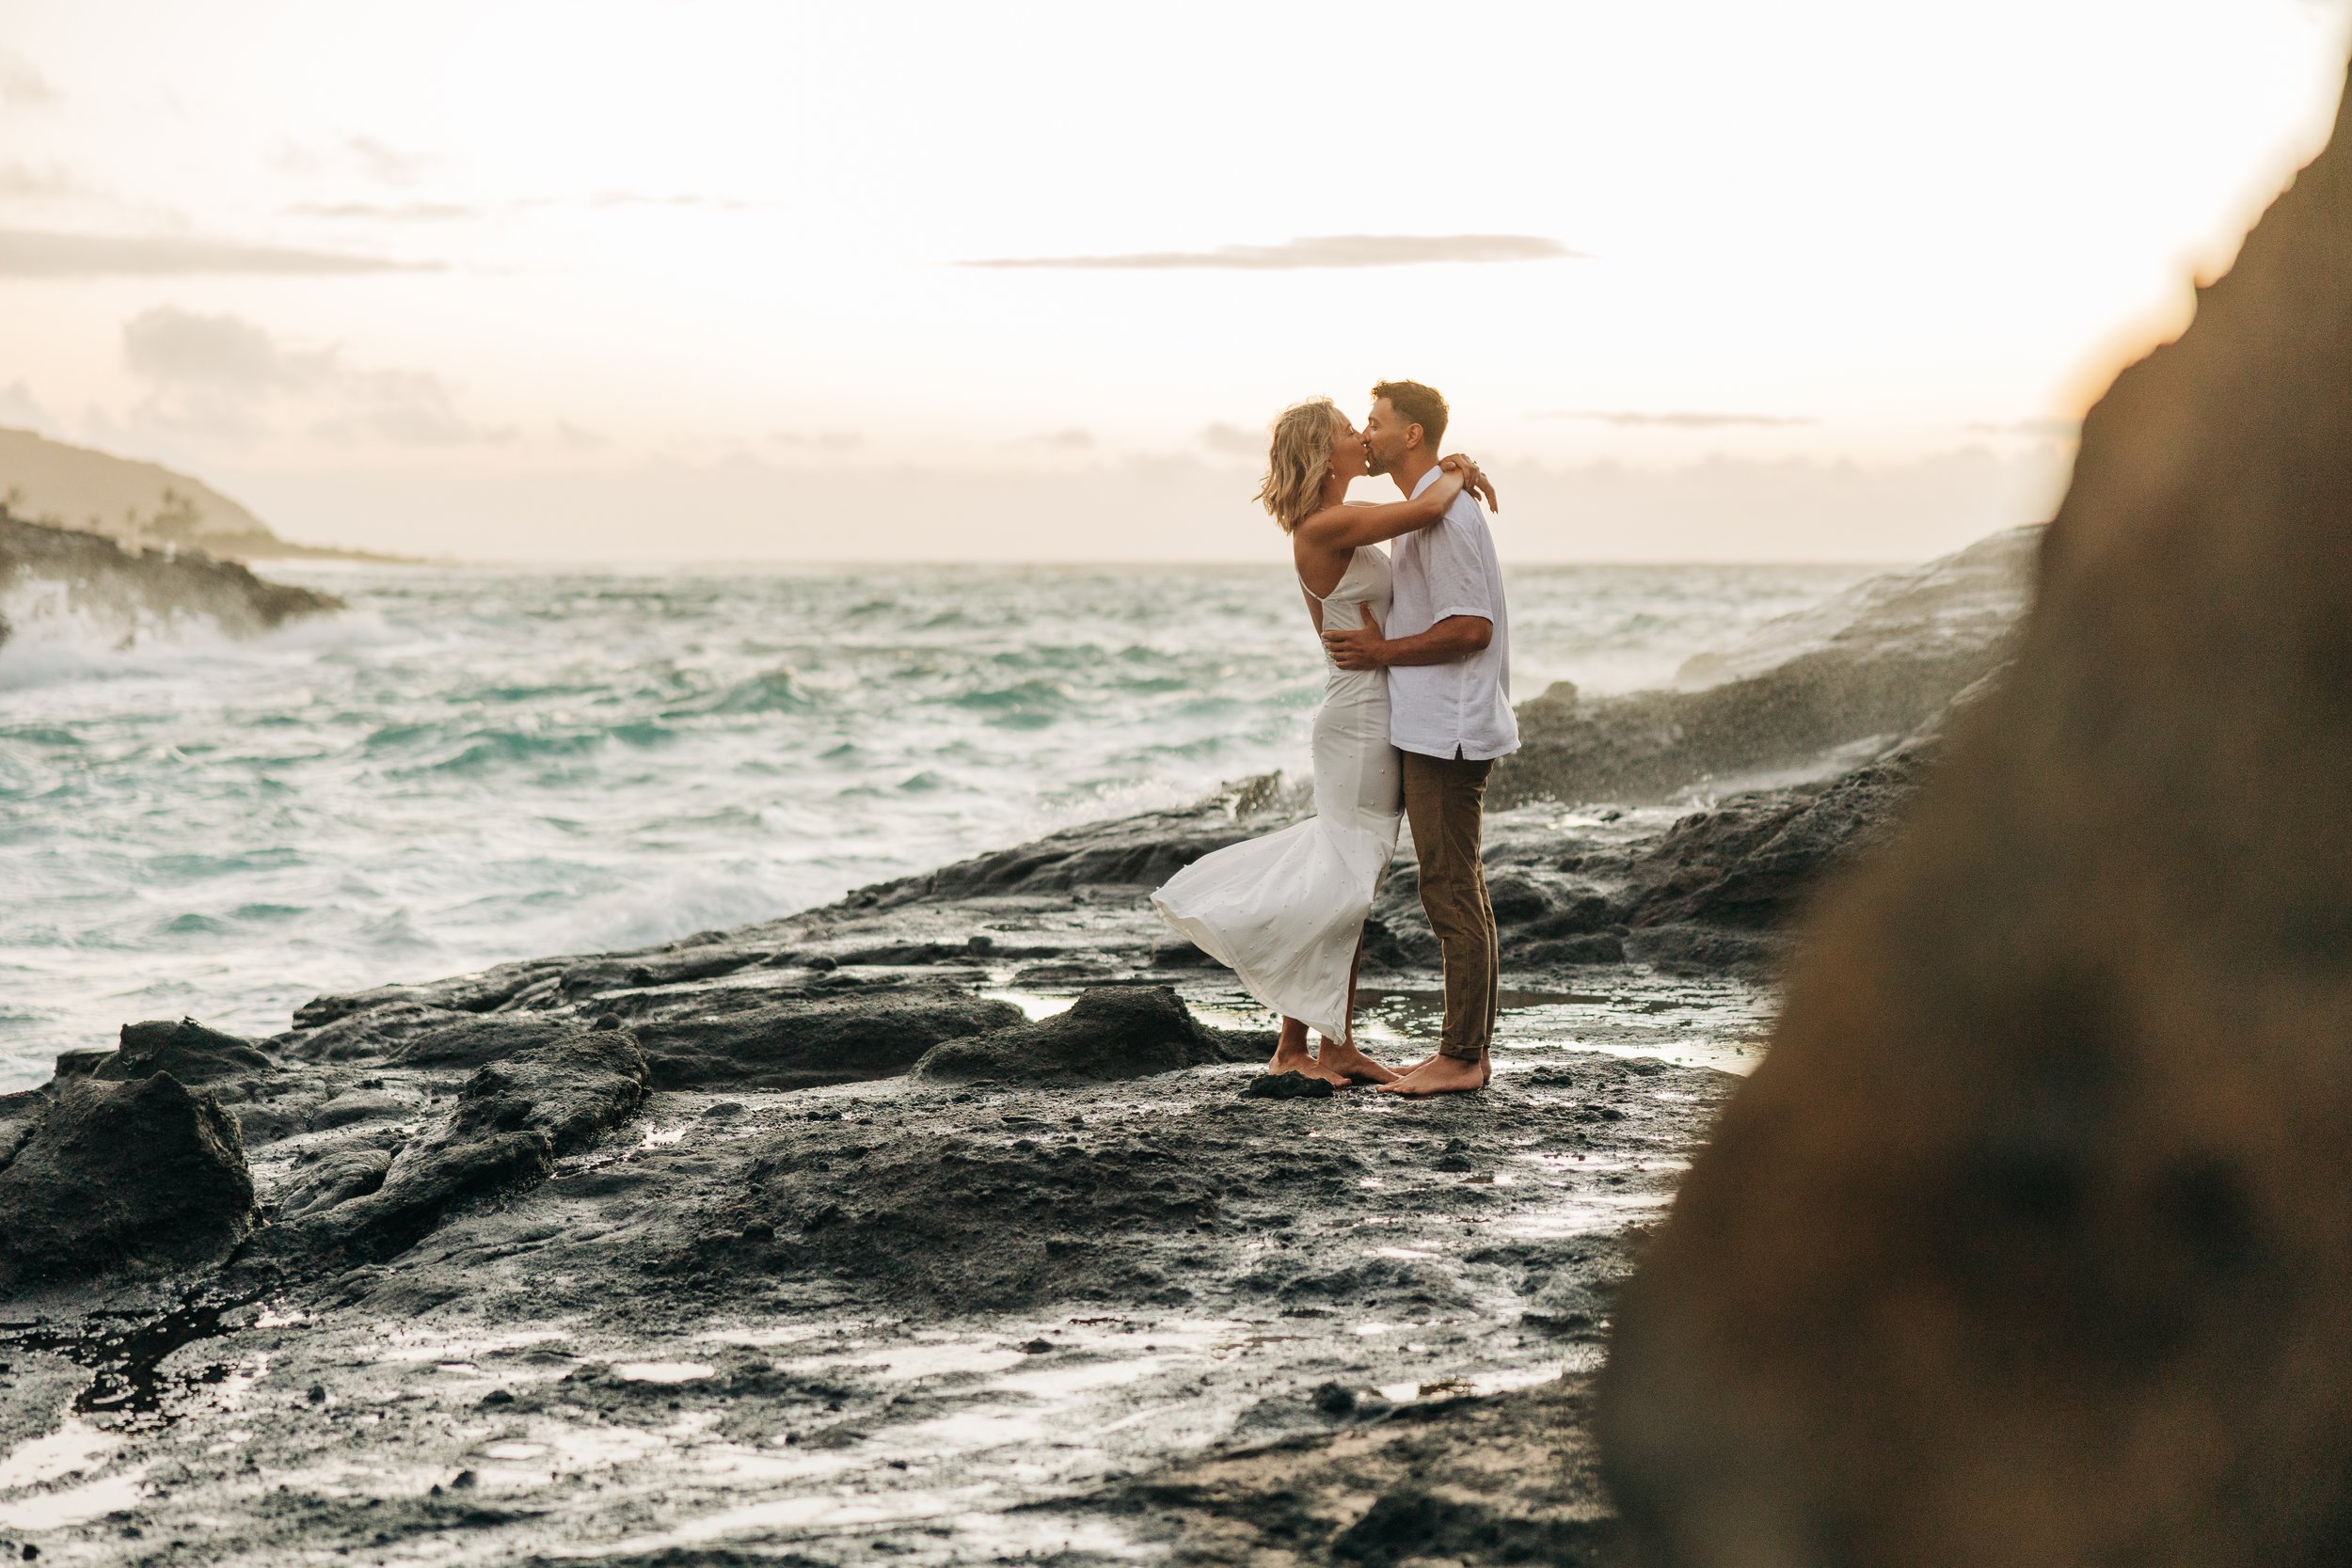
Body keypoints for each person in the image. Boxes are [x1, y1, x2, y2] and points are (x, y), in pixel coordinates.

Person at [1152, 397, 1497, 1085]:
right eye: (1348, 430)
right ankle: (1293, 1046)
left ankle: (1329, 1045)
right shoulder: (1328, 523)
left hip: (1367, 705)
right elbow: (1428, 511)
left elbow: (1338, 629)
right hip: (1360, 718)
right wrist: (1460, 469)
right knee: (1343, 878)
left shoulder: (1332, 525)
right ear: (1324, 451)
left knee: (1348, 880)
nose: (1361, 437)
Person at [1322, 380, 1518, 1097]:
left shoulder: (1446, 518)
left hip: (1450, 731)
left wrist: (1381, 654)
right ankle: (1467, 1050)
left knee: (1449, 889)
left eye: (1374, 423)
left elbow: (1472, 629)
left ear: (1411, 435)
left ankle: (1462, 1057)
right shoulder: (1424, 507)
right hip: (1439, 726)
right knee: (1460, 885)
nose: (1366, 434)